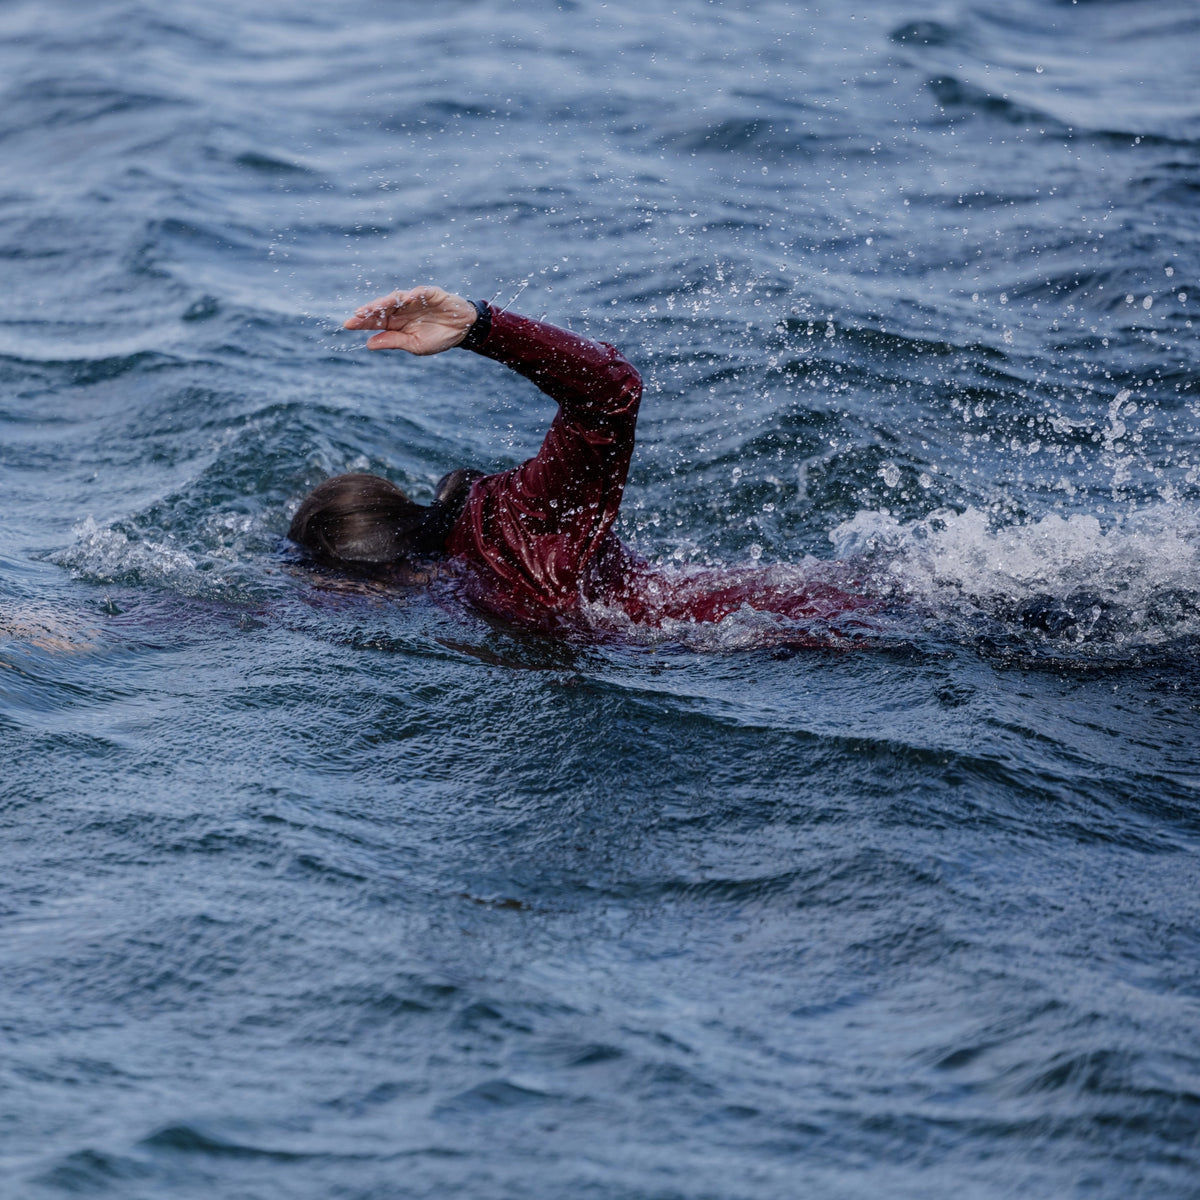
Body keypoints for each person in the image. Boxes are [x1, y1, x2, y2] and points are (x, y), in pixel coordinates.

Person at [289, 286, 876, 643]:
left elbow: (610, 394)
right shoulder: (456, 575)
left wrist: (482, 327)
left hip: (848, 625)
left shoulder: (512, 523)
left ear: (371, 578)